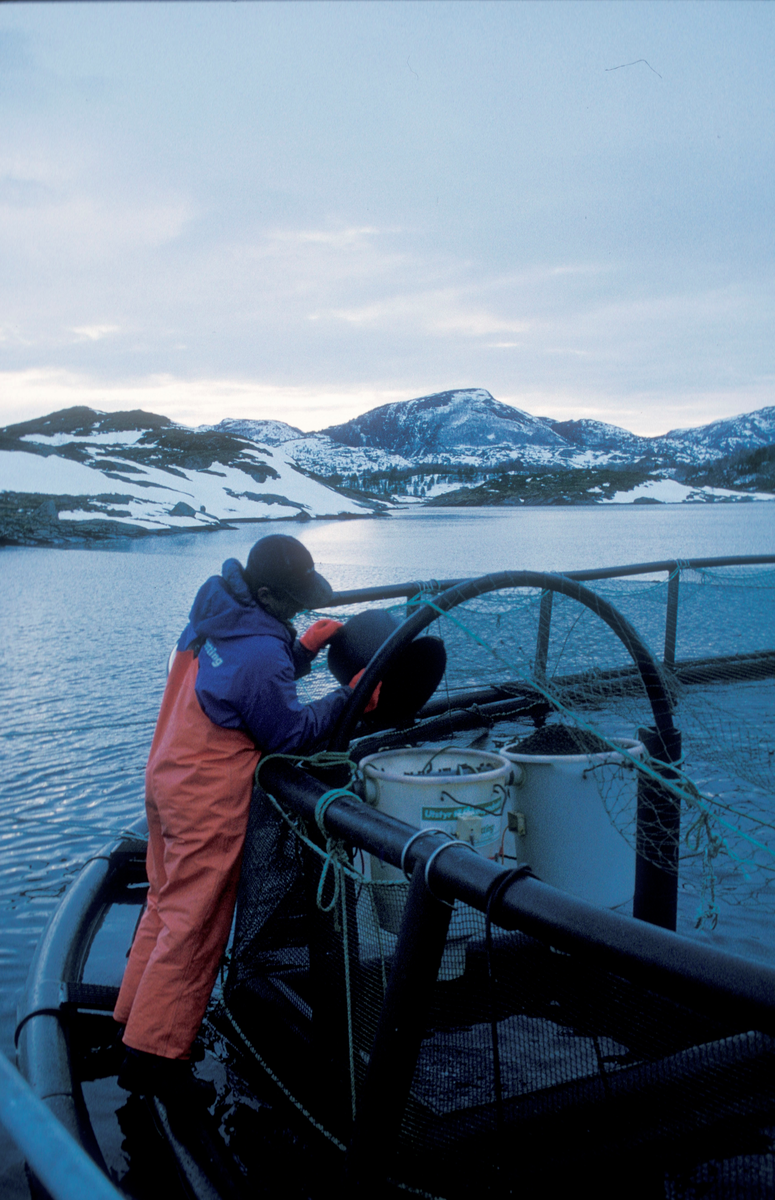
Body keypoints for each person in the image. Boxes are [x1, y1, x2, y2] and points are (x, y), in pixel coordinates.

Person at [114, 534, 366, 1092]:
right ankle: (154, 1058)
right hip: (205, 798)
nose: (302, 608)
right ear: (270, 593)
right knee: (194, 924)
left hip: (165, 780)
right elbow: (289, 732)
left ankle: (132, 1019)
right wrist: (348, 698)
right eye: (295, 600)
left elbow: (236, 689)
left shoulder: (215, 618)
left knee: (163, 903)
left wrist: (298, 654)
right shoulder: (257, 651)